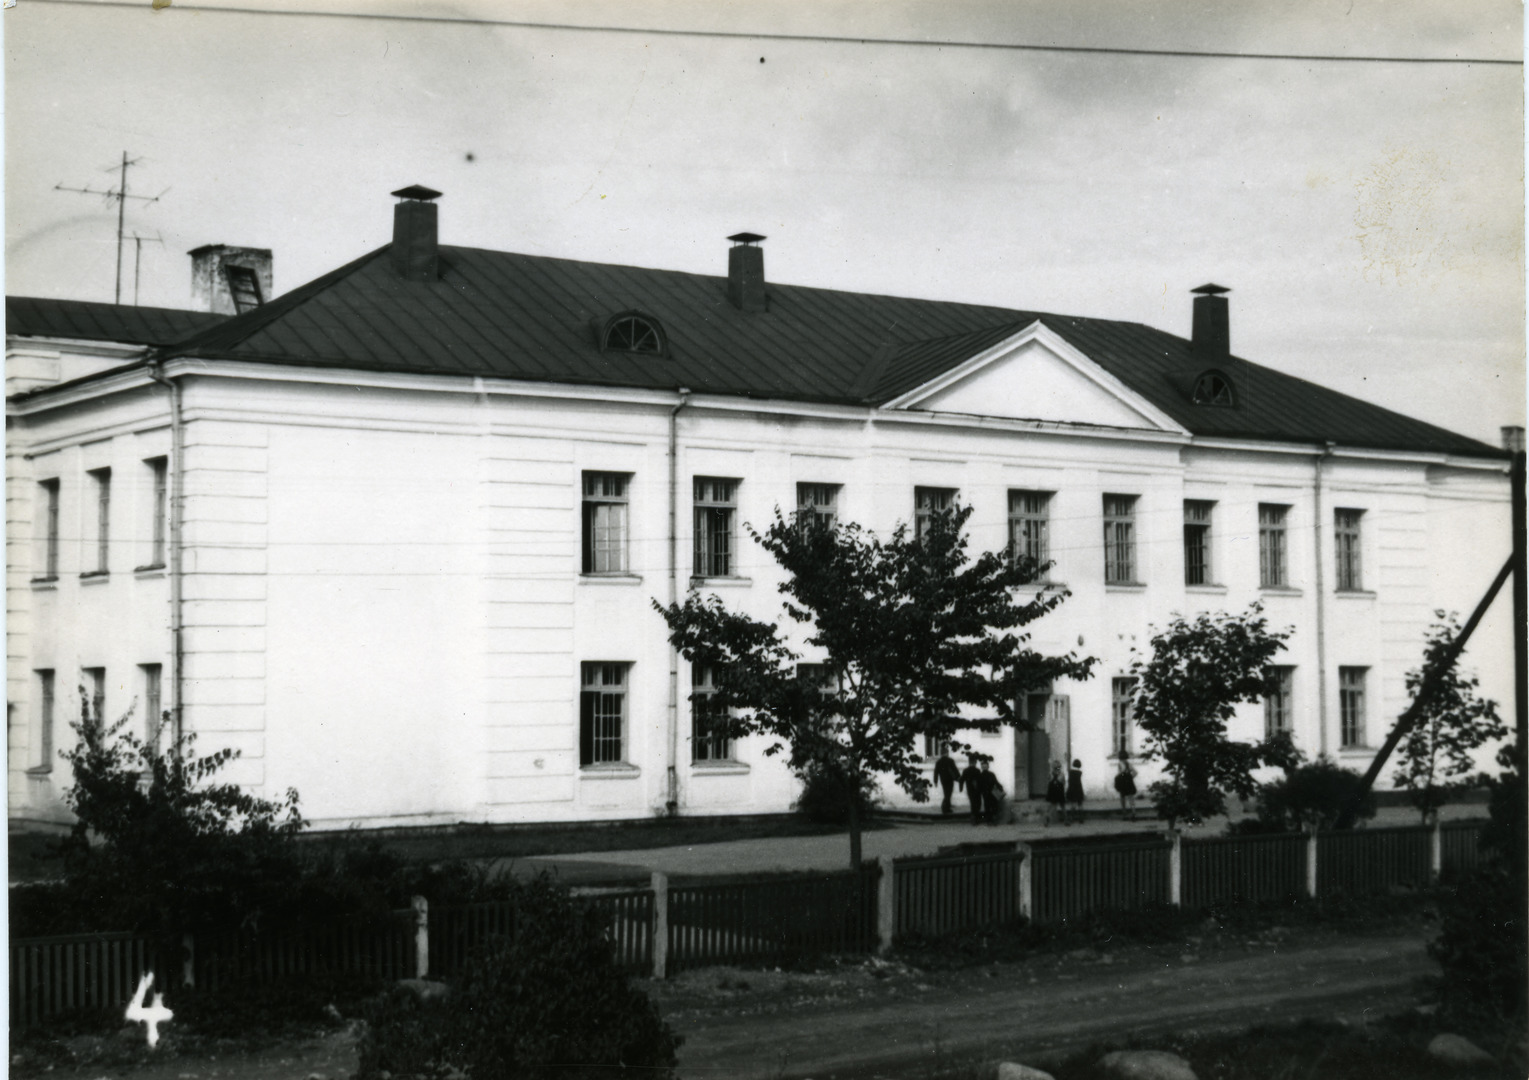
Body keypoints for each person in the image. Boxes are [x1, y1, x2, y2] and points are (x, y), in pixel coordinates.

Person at [934, 745, 961, 816]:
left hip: (943, 780)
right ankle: (945, 808)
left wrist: (935, 781)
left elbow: (936, 772)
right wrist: (958, 777)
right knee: (949, 793)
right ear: (946, 753)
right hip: (950, 779)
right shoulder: (950, 761)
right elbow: (955, 770)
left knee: (946, 793)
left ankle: (947, 807)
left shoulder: (938, 762)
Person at [978, 759, 1004, 825]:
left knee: (992, 806)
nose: (984, 767)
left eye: (985, 766)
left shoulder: (990, 774)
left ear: (988, 766)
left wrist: (1000, 787)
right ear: (981, 767)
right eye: (983, 766)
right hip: (986, 793)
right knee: (988, 806)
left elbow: (996, 782)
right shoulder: (981, 775)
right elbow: (979, 785)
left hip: (991, 792)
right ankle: (990, 820)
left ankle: (991, 820)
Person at [1113, 754, 1138, 821]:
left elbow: (1121, 771)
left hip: (1122, 782)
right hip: (1129, 782)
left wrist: (1118, 776)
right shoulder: (1129, 764)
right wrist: (1130, 778)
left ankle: (1124, 815)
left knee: (1123, 798)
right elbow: (1135, 772)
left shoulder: (1120, 764)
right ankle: (1133, 813)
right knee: (1131, 798)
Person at [961, 755, 984, 825]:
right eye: (974, 762)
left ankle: (974, 818)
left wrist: (961, 788)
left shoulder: (966, 770)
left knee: (973, 803)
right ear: (974, 762)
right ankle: (975, 818)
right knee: (977, 803)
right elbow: (980, 781)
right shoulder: (977, 770)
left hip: (970, 790)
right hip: (977, 790)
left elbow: (962, 779)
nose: (974, 763)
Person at [1045, 761, 1066, 826]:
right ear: (1059, 767)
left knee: (1051, 806)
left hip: (1052, 792)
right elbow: (1064, 783)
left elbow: (1048, 783)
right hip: (1060, 792)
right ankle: (1066, 821)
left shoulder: (1050, 774)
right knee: (1063, 806)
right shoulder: (1062, 774)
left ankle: (1047, 820)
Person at [1066, 758, 1085, 824]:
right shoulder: (1080, 772)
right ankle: (1081, 818)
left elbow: (1069, 781)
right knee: (1080, 804)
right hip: (1079, 788)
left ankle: (1071, 818)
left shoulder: (1070, 772)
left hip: (1072, 789)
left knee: (1073, 805)